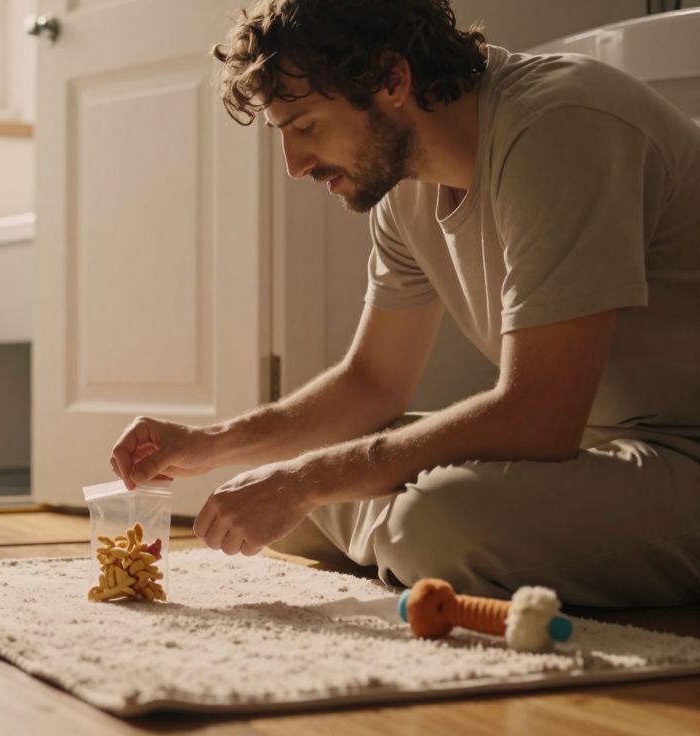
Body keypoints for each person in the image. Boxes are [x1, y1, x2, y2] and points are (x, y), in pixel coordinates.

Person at [109, 0, 700, 608]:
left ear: (393, 80)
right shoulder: (405, 190)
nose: (294, 165)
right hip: (595, 453)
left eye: (306, 125)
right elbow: (372, 383)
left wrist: (306, 482)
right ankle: (408, 542)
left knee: (428, 521)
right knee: (290, 491)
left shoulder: (559, 125)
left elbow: (539, 416)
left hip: (682, 455)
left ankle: (411, 541)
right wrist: (210, 444)